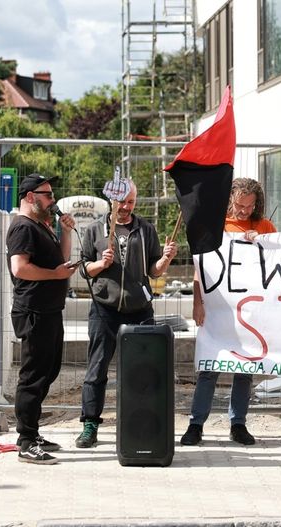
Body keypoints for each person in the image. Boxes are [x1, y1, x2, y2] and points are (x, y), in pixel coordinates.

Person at [74, 180, 177, 448]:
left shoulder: (145, 230)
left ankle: (142, 424)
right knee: (96, 369)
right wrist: (100, 263)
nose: (127, 207)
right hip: (104, 309)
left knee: (143, 372)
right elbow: (83, 269)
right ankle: (90, 425)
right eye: (122, 202)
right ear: (112, 200)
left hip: (139, 310)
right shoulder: (95, 229)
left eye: (131, 202)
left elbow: (154, 271)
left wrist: (165, 259)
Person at [180, 177, 277, 446]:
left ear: (257, 204)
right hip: (217, 308)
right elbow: (202, 267)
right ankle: (196, 424)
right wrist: (197, 302)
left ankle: (238, 424)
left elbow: (279, 260)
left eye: (250, 205)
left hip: (251, 310)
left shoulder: (264, 226)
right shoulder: (215, 224)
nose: (244, 211)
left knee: (245, 369)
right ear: (230, 199)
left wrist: (262, 243)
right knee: (210, 367)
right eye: (239, 204)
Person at [6, 173, 77, 465]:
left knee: (49, 371)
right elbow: (20, 268)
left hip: (49, 309)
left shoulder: (41, 225)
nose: (53, 200)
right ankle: (25, 440)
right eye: (47, 194)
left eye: (52, 194)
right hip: (33, 310)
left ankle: (32, 433)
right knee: (33, 376)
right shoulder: (22, 227)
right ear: (30, 197)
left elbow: (60, 261)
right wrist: (55, 275)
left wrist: (66, 232)